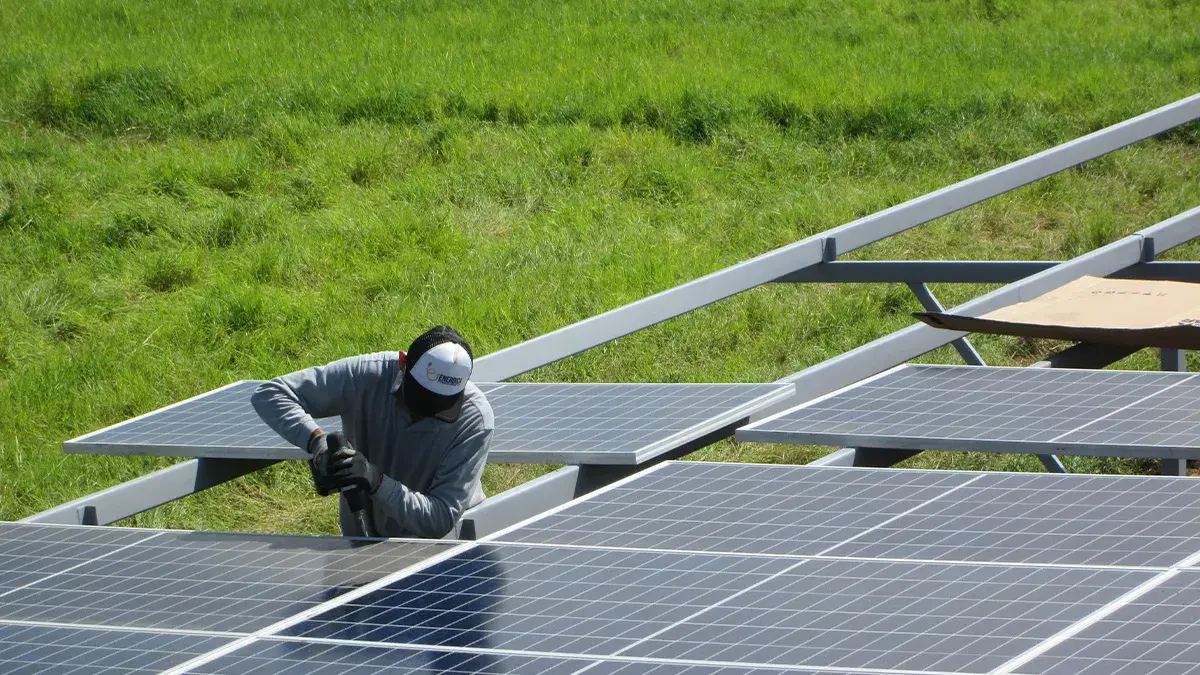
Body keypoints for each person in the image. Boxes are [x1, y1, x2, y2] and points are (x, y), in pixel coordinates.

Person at [251, 325, 493, 539]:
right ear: (403, 365)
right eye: (418, 400)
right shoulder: (367, 375)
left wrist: (375, 480)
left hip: (441, 549)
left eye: (437, 409)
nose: (422, 414)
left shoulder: (474, 419)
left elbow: (439, 519)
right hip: (364, 535)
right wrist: (317, 442)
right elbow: (271, 394)